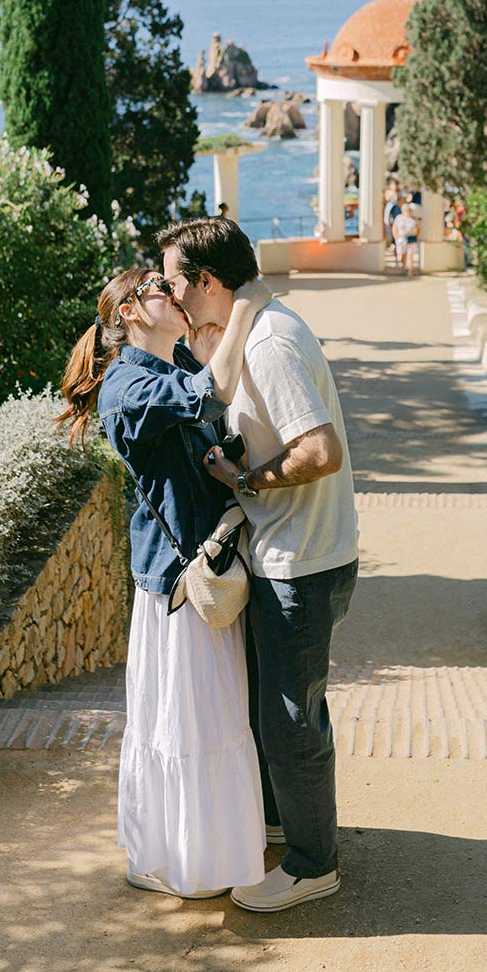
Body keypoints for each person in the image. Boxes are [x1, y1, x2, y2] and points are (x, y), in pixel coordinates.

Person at [158, 217, 358, 913]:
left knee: (289, 721)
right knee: (276, 710)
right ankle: (286, 828)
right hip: (290, 553)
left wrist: (247, 482)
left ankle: (313, 865)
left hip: (300, 560)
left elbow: (320, 450)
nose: (169, 292)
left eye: (174, 281)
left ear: (207, 282)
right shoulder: (257, 328)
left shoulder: (270, 342)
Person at [57, 266, 272, 899]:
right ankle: (185, 861)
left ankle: (191, 852)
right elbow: (215, 390)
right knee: (190, 721)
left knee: (203, 717)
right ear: (128, 313)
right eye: (159, 287)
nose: (174, 294)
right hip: (176, 585)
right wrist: (245, 309)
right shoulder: (126, 384)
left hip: (192, 572)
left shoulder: (162, 368)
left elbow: (203, 431)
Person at [392, 196, 420, 276]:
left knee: (410, 254)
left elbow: (418, 229)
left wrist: (416, 237)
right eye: (406, 210)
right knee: (402, 255)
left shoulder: (414, 219)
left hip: (411, 239)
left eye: (409, 210)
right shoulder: (399, 218)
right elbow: (394, 229)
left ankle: (410, 271)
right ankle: (404, 268)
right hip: (402, 239)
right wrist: (396, 238)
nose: (408, 211)